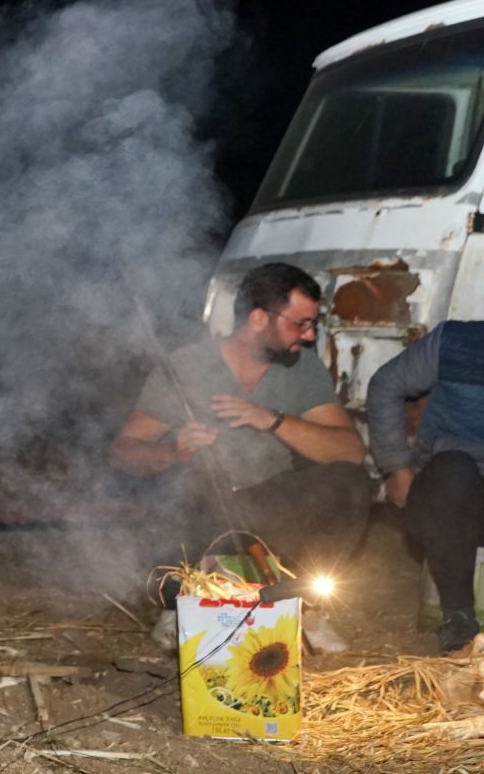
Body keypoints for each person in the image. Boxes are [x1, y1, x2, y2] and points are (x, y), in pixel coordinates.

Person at [110, 263, 371, 646]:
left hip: (269, 507)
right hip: (203, 509)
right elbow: (121, 453)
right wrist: (174, 452)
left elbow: (350, 451)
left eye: (311, 323)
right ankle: (180, 606)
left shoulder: (303, 368)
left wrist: (273, 420)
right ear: (259, 318)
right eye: (300, 323)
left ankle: (303, 604)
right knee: (183, 487)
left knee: (349, 482)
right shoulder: (188, 365)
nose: (311, 335)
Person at [366, 320, 484, 653]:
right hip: (450, 492)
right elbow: (386, 385)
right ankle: (458, 617)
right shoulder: (457, 343)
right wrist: (397, 468)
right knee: (453, 472)